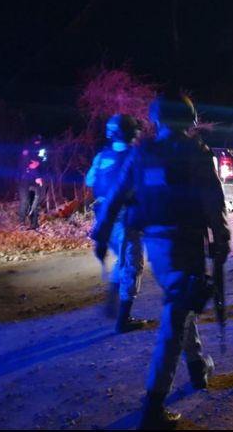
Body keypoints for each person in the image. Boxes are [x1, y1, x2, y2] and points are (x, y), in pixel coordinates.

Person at [92, 90, 230, 430]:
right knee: (175, 314)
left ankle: (198, 367)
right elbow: (213, 201)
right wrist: (221, 240)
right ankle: (154, 404)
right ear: (189, 120)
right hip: (185, 243)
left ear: (155, 119)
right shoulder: (195, 152)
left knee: (180, 302)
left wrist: (101, 233)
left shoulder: (143, 153)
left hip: (156, 244)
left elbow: (115, 197)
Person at [86, 114, 148, 333]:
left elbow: (90, 180)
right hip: (126, 218)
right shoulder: (135, 156)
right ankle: (123, 320)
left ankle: (113, 296)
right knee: (133, 263)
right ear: (131, 133)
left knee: (123, 260)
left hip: (103, 217)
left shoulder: (102, 156)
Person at [17, 134, 47, 230]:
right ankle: (21, 222)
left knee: (36, 200)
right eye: (36, 141)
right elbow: (28, 166)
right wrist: (37, 176)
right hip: (24, 179)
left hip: (36, 180)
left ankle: (34, 223)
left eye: (39, 141)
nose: (37, 143)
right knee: (25, 201)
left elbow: (44, 160)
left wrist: (40, 162)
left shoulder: (41, 150)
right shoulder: (26, 151)